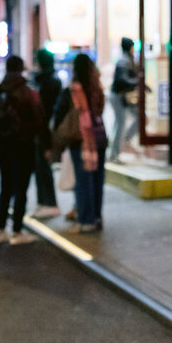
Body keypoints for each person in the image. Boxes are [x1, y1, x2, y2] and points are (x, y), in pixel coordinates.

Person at [0, 55, 45, 245]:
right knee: (21, 188)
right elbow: (39, 120)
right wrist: (45, 145)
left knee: (5, 186)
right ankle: (17, 231)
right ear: (22, 69)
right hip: (24, 144)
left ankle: (0, 229)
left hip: (2, 145)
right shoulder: (28, 92)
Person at [52, 53, 109, 233]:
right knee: (97, 180)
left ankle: (86, 220)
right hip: (100, 138)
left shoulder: (73, 90)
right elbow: (100, 110)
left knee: (84, 181)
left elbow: (59, 114)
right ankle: (97, 217)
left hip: (82, 140)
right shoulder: (97, 88)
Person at [31, 49, 63, 218]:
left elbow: (43, 111)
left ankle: (48, 202)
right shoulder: (51, 81)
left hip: (44, 129)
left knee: (43, 165)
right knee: (40, 165)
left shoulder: (44, 82)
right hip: (45, 128)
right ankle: (43, 202)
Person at [109, 37, 140, 162]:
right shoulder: (124, 61)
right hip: (119, 96)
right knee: (120, 123)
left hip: (122, 96)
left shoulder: (127, 60)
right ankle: (115, 153)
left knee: (138, 118)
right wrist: (138, 82)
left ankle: (124, 142)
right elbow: (122, 80)